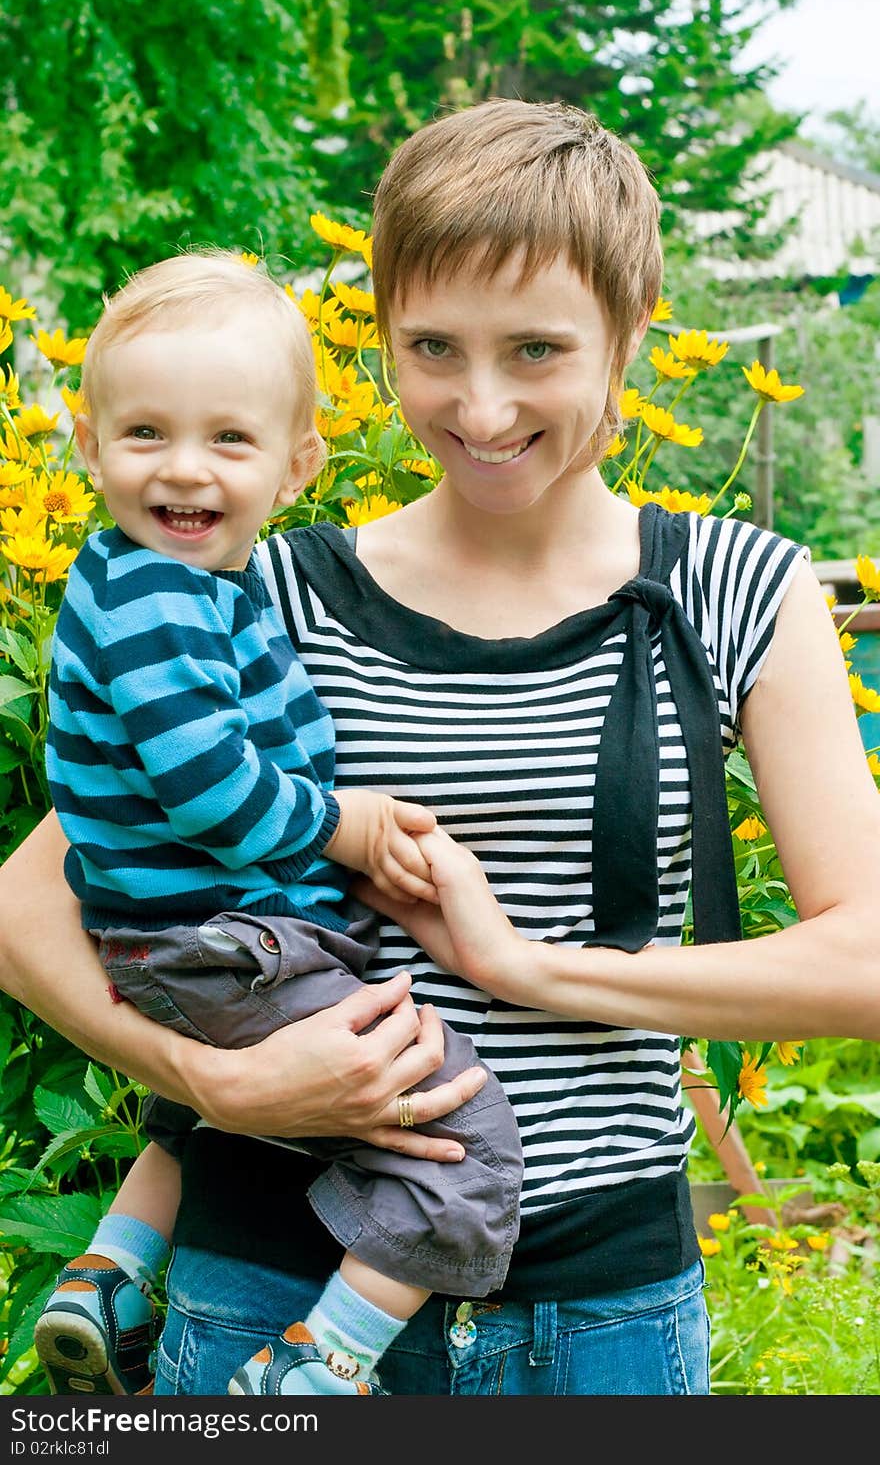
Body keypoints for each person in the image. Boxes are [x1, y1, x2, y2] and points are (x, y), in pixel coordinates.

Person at [1, 97, 878, 1399]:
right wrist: (209, 1076)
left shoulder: (736, 590)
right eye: (431, 347)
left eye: (536, 348)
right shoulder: (267, 586)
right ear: (383, 332)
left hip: (604, 1318)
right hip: (263, 1292)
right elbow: (23, 904)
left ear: (629, 337)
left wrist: (525, 965)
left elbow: (862, 957)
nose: (479, 405)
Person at [30, 250, 522, 1399]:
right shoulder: (158, 594)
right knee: (460, 1127)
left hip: (182, 936)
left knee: (200, 1117)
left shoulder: (185, 584)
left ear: (299, 462)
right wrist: (344, 826)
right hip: (220, 936)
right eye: (144, 434)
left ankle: (107, 1271)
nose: (183, 469)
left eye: (228, 440)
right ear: (90, 448)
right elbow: (210, 788)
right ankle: (324, 1361)